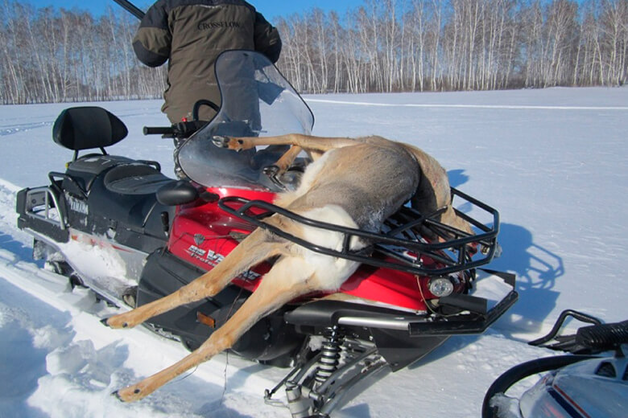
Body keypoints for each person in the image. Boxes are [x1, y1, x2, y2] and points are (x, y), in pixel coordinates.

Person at [133, 0, 282, 124]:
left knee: (195, 158)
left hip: (191, 112)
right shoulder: (244, 8)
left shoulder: (168, 6)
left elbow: (149, 54)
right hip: (241, 109)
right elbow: (271, 49)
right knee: (242, 157)